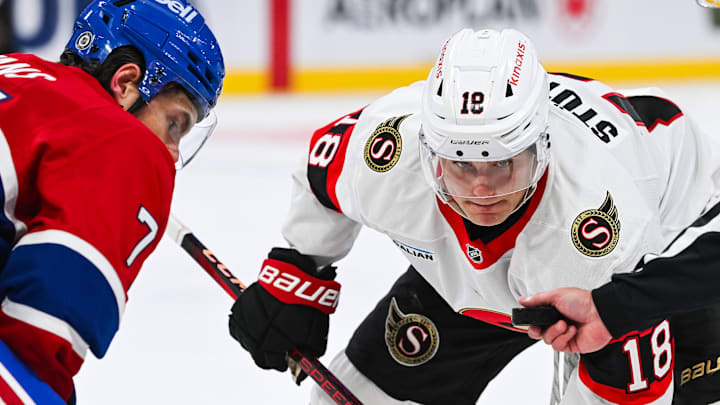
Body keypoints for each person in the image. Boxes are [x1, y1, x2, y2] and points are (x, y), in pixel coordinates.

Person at [228, 27, 719, 404]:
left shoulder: (603, 233)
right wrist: (295, 272)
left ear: (541, 149)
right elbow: (322, 174)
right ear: (429, 151)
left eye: (503, 164)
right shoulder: (389, 147)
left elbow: (628, 389)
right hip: (483, 285)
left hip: (672, 257)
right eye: (461, 164)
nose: (481, 190)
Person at [0, 0, 224, 403]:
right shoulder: (125, 142)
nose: (172, 152)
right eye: (175, 124)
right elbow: (41, 333)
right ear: (125, 83)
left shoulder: (15, 70)